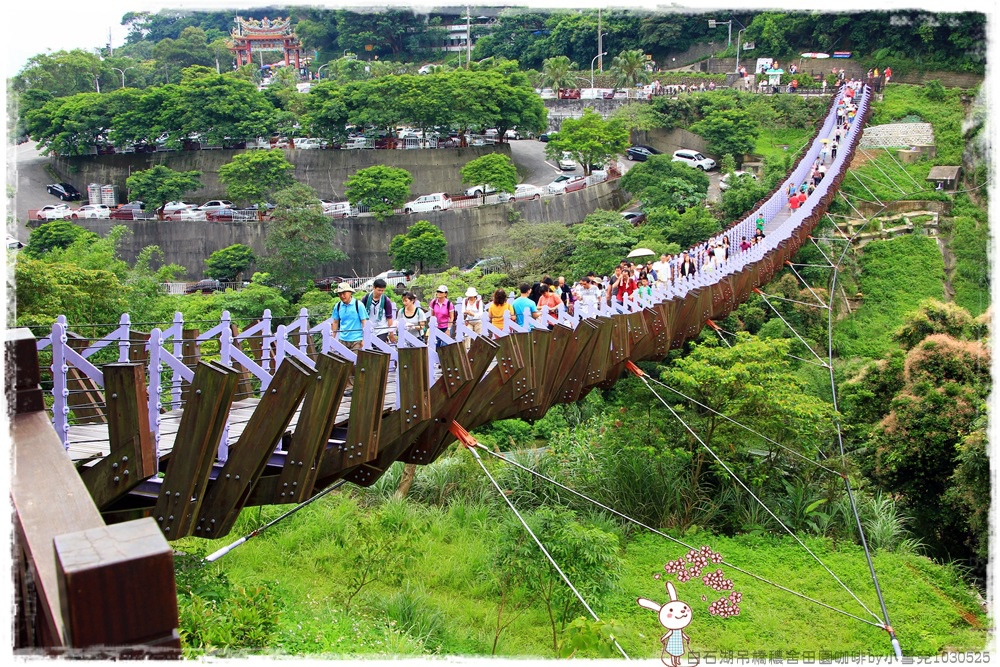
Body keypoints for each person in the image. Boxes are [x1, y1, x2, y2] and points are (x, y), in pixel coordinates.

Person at [330, 282, 368, 396]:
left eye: (344, 293)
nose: (342, 296)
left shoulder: (358, 305)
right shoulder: (337, 306)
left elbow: (364, 322)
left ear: (350, 293)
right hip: (343, 338)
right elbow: (335, 321)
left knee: (355, 363)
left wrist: (364, 338)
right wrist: (333, 338)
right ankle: (348, 387)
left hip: (356, 337)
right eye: (340, 294)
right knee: (345, 363)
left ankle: (357, 386)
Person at [360, 278, 395, 344]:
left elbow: (389, 318)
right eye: (379, 290)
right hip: (369, 327)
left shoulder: (386, 300)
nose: (380, 292)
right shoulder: (366, 298)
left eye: (382, 291)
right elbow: (361, 315)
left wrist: (391, 333)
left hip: (382, 328)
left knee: (379, 347)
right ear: (374, 288)